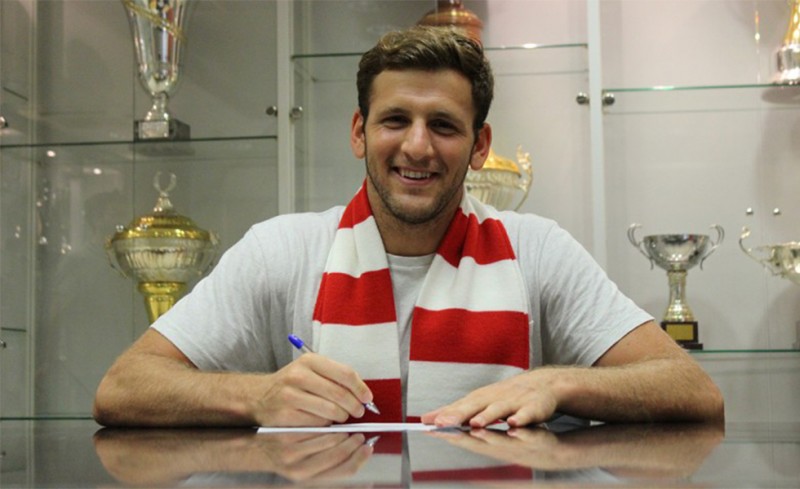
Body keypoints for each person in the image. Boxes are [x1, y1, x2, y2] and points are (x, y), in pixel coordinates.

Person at [93, 26, 724, 428]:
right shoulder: (282, 249)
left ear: (480, 147)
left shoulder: (538, 250)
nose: (417, 146)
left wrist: (557, 383)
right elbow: (123, 388)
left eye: (443, 126)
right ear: (358, 132)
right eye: (395, 120)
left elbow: (692, 389)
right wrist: (256, 397)